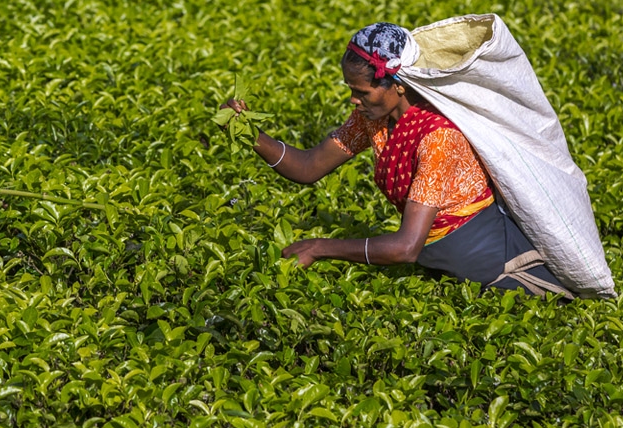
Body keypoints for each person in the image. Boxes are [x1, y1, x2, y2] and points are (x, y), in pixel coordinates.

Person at [220, 22, 571, 298]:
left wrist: (320, 247)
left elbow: (405, 247)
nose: (354, 100)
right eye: (351, 91)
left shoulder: (439, 137)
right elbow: (309, 166)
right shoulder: (372, 119)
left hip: (502, 275)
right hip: (446, 271)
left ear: (398, 85)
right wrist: (247, 132)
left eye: (362, 91)